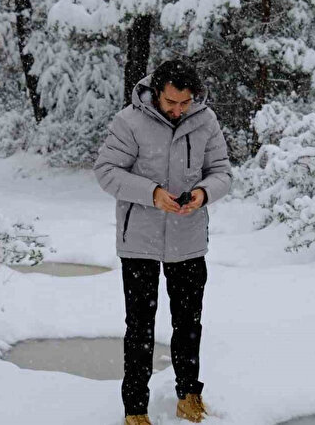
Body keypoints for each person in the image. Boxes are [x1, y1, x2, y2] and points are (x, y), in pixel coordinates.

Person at [93, 60, 233, 425]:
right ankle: (135, 408)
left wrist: (203, 193)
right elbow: (106, 172)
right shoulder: (129, 121)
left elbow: (222, 172)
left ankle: (189, 395)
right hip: (139, 239)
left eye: (185, 102)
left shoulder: (205, 121)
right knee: (140, 326)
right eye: (172, 102)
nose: (178, 110)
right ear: (157, 92)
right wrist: (151, 193)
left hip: (187, 239)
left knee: (188, 323)